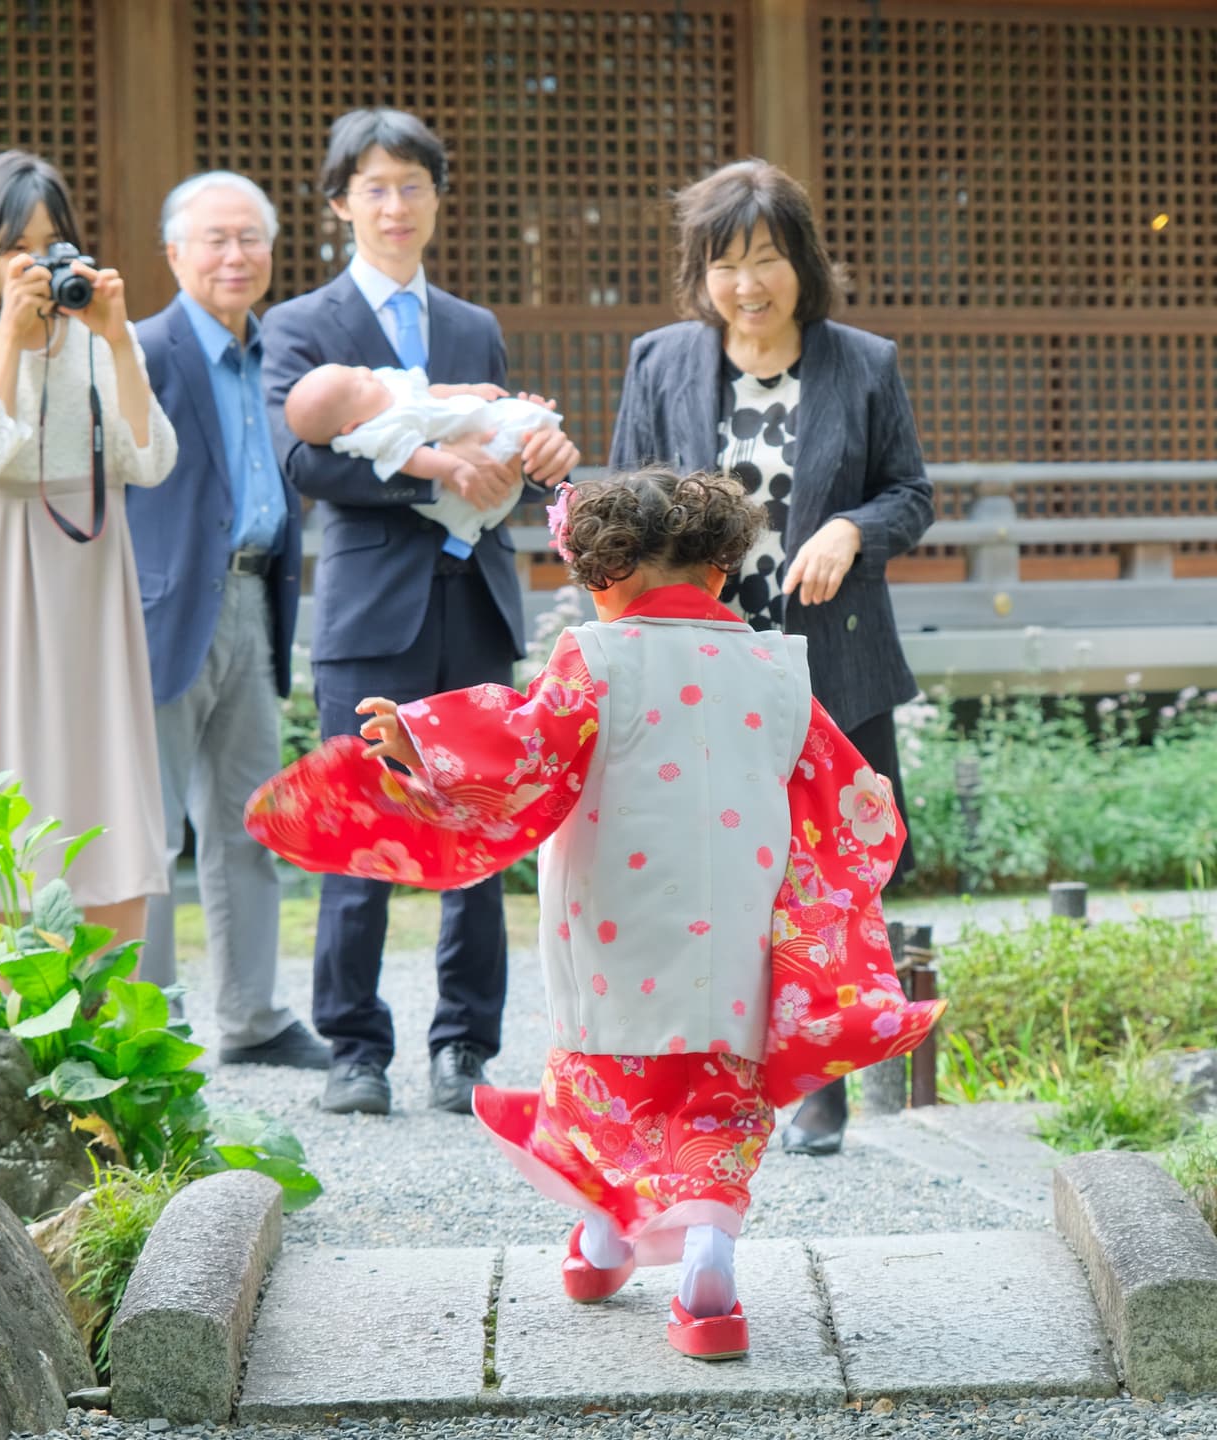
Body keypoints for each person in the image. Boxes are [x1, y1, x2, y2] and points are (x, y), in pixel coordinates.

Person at [243, 468, 945, 1359]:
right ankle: (708, 1270)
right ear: (721, 571)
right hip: (736, 926)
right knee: (713, 1099)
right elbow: (851, 794)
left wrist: (422, 740)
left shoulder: (596, 657)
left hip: (616, 919)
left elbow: (521, 742)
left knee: (606, 1084)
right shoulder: (776, 667)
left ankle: (607, 1240)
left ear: (600, 578)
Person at [608, 158, 934, 1157]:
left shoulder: (863, 363)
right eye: (724, 265)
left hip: (830, 664)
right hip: (702, 664)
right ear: (699, 274)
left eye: (765, 259)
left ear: (803, 261)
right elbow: (626, 499)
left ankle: (822, 1077)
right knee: (711, 873)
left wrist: (851, 530)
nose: (747, 286)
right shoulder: (659, 360)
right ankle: (714, 1072)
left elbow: (910, 496)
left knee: (831, 869)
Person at [261, 107, 580, 1116]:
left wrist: (541, 469)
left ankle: (465, 1045)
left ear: (438, 200)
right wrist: (437, 468)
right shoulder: (304, 326)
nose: (394, 206)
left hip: (478, 600)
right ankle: (354, 1046)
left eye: (412, 186)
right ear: (341, 205)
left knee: (478, 822)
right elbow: (303, 459)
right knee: (361, 816)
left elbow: (509, 456)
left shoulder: (473, 325)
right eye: (375, 188)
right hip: (372, 609)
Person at [0, 149, 175, 947]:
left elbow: (152, 461)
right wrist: (13, 344)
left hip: (88, 577)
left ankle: (105, 1014)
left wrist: (119, 341)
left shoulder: (94, 340)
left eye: (50, 242)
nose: (34, 262)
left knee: (104, 768)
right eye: (13, 246)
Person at [126, 172, 329, 1069]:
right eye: (214, 239)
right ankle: (151, 1019)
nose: (234, 255)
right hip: (166, 609)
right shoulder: (142, 349)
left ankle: (251, 1016)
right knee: (154, 825)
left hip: (259, 596)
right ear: (175, 252)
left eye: (250, 238)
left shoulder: (275, 354)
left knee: (249, 819)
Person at [284, 361, 563, 549]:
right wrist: (452, 466)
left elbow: (430, 392)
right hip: (462, 484)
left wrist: (468, 390)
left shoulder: (389, 385)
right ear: (351, 426)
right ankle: (533, 424)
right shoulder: (378, 431)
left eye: (355, 370)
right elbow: (412, 458)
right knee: (514, 431)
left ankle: (538, 426)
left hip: (471, 421)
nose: (364, 373)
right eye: (358, 386)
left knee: (521, 423)